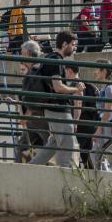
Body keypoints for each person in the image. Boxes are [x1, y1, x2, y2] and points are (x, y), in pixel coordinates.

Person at [26, 35, 82, 165]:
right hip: (59, 110)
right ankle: (66, 181)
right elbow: (58, 87)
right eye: (72, 44)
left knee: (52, 146)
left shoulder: (51, 58)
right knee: (67, 149)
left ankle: (30, 169)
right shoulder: (55, 60)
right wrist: (76, 89)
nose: (74, 47)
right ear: (64, 44)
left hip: (53, 109)